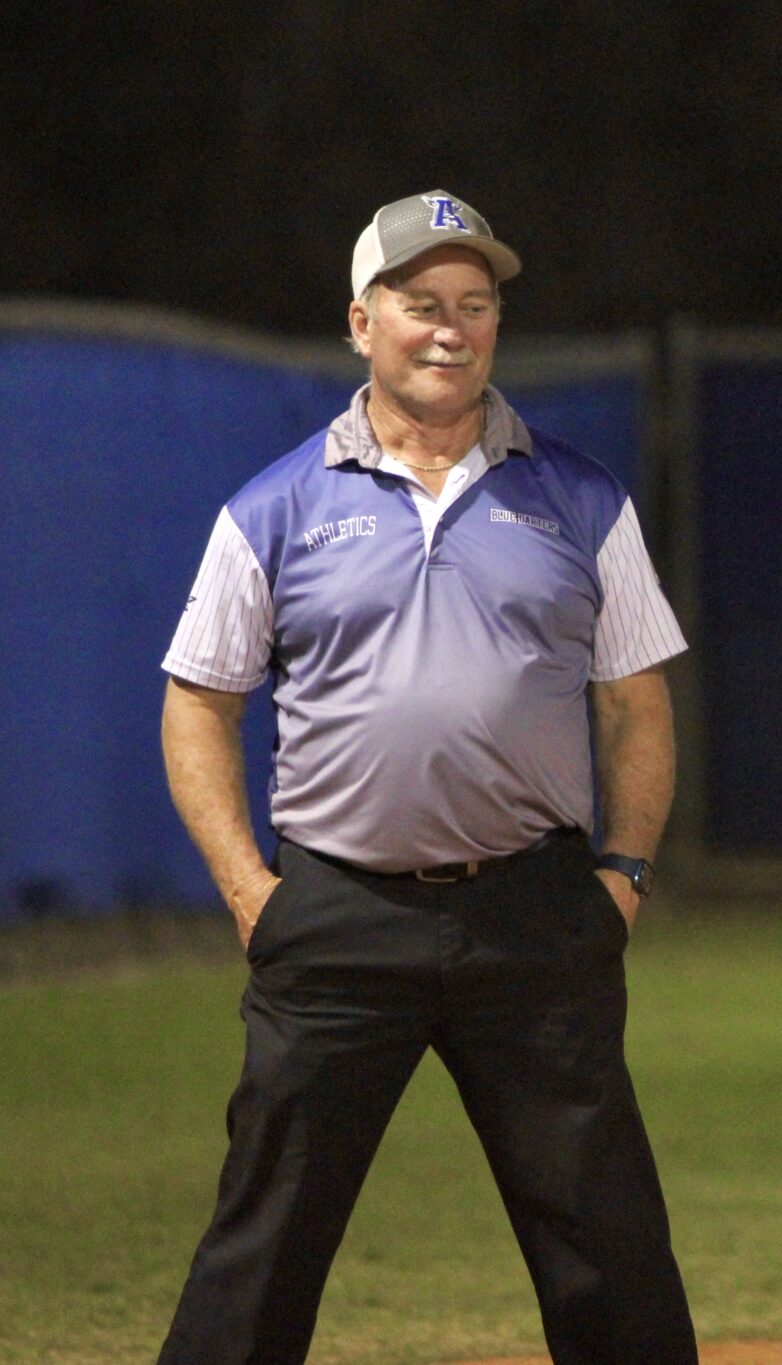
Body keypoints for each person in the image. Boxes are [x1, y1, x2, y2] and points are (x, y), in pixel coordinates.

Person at [157, 190, 697, 1363]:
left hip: (534, 914)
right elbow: (198, 703)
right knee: (264, 1238)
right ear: (363, 323)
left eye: (476, 305)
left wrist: (623, 876)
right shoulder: (274, 507)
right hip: (340, 913)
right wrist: (251, 890)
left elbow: (636, 705)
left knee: (607, 1243)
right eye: (421, 305)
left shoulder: (582, 498)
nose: (450, 329)